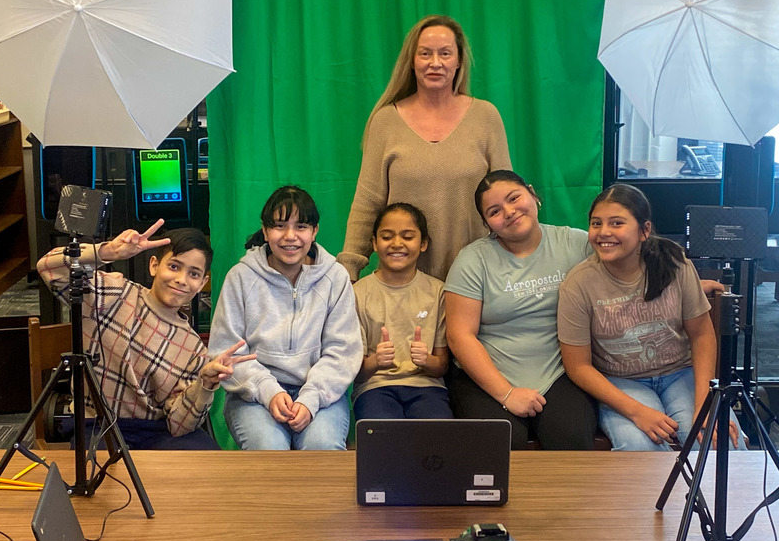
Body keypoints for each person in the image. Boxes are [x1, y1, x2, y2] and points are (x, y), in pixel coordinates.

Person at [557, 184, 744, 452]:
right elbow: (578, 367)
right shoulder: (578, 284)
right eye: (596, 223)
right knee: (642, 449)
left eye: (617, 223)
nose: (604, 232)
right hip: (620, 382)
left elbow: (701, 334)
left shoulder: (674, 261)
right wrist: (636, 412)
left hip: (681, 373)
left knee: (718, 442)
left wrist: (706, 401)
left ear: (644, 230)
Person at [37, 221, 252, 450]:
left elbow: (179, 426)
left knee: (208, 463)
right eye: (174, 267)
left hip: (154, 430)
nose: (181, 279)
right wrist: (107, 251)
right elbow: (49, 269)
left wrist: (205, 384)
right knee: (105, 475)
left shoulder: (193, 347)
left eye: (194, 273)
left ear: (202, 283)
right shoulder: (113, 292)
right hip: (97, 423)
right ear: (154, 265)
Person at [338, 15, 511, 283]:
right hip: (404, 284)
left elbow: (505, 199)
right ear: (412, 61)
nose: (435, 63)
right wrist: (348, 269)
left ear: (459, 61)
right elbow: (367, 202)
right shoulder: (385, 121)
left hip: (477, 281)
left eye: (445, 53)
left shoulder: (486, 117)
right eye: (425, 54)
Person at [444, 170, 597, 450]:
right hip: (487, 378)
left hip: (558, 373)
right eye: (494, 211)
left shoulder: (575, 244)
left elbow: (627, 263)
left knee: (572, 438)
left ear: (532, 194)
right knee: (501, 443)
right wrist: (507, 394)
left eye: (514, 198)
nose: (510, 212)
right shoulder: (472, 260)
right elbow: (459, 336)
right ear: (487, 223)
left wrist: (686, 280)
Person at [209, 185, 362, 450]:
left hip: (321, 394)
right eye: (280, 226)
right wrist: (269, 391)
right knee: (269, 447)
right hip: (252, 395)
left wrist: (310, 399)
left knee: (322, 446)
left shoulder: (335, 278)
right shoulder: (240, 277)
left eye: (301, 226)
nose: (290, 236)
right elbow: (227, 351)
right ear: (266, 231)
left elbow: (343, 352)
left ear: (315, 231)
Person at [352, 203, 451, 421]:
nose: (397, 244)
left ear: (423, 243)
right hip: (374, 388)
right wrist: (376, 361)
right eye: (387, 237)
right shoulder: (357, 293)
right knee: (383, 435)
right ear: (374, 243)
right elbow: (356, 372)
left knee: (440, 436)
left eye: (407, 236)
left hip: (428, 388)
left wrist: (426, 360)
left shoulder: (438, 291)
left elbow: (442, 366)